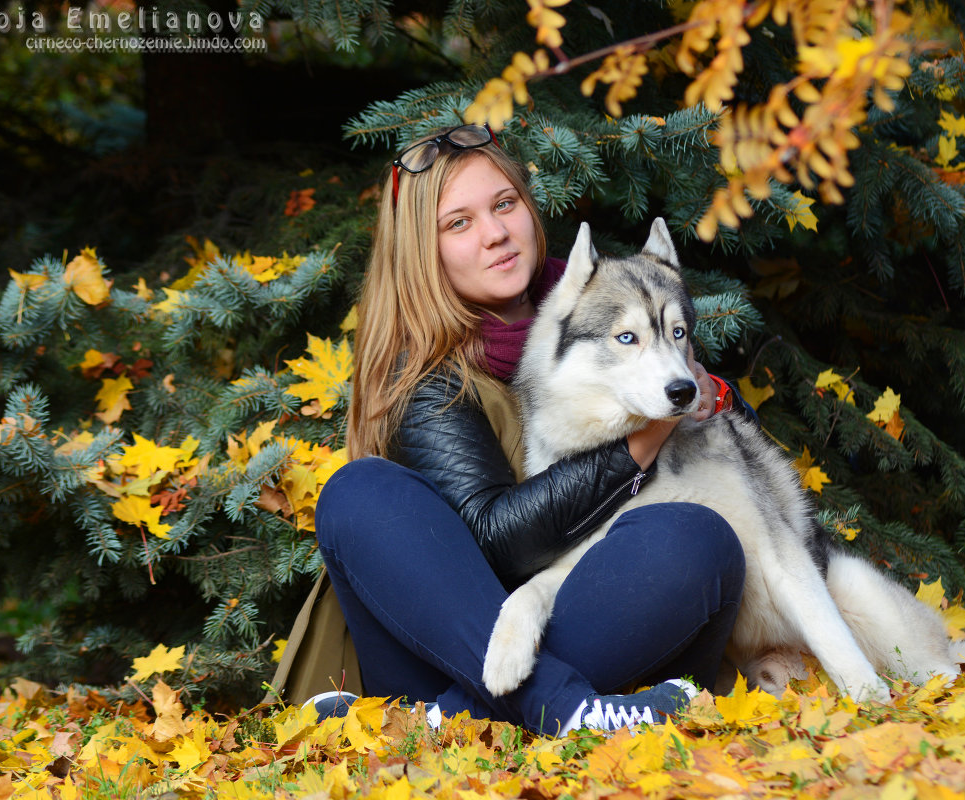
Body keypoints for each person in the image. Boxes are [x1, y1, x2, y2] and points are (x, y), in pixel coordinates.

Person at [305, 123, 746, 736]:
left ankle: (447, 724)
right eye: (457, 223)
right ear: (422, 252)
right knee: (358, 494)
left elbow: (729, 446)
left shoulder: (609, 302)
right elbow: (497, 544)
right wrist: (646, 436)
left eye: (504, 204)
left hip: (574, 626)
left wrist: (706, 395)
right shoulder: (421, 369)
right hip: (441, 654)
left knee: (699, 537)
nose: (495, 234)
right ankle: (566, 711)